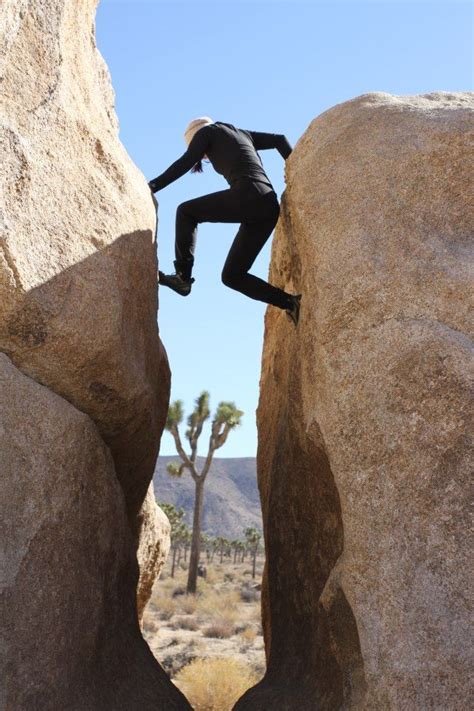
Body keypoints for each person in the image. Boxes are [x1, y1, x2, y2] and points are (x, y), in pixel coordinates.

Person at [148, 117, 302, 325]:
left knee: (185, 212)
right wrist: (297, 171)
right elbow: (280, 140)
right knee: (232, 276)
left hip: (249, 195)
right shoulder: (240, 132)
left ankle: (183, 277)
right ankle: (290, 302)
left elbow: (186, 162)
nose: (203, 158)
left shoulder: (207, 132)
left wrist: (153, 185)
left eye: (200, 153)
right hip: (267, 205)